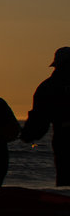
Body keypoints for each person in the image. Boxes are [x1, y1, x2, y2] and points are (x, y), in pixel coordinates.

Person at [20, 47, 70, 186]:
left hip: (64, 139)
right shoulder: (48, 87)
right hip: (64, 138)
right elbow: (39, 120)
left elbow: (39, 121)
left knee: (66, 182)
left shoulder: (48, 87)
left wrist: (27, 134)